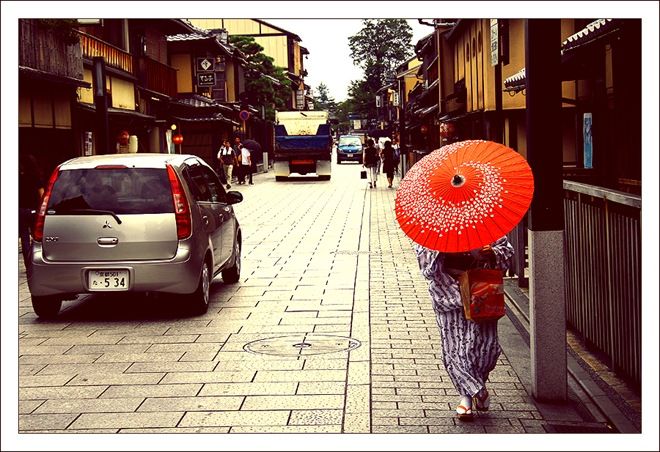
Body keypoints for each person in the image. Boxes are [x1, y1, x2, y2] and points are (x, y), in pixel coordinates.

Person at [414, 236, 514, 421]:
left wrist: (491, 253)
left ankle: (477, 386)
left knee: (488, 348)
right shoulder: (435, 228)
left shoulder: (483, 222)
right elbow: (426, 267)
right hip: (447, 292)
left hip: (481, 290)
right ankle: (468, 396)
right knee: (455, 348)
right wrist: (440, 250)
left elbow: (507, 253)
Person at [19, 154, 44, 273]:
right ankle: (36, 262)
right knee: (37, 237)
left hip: (21, 210)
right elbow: (41, 194)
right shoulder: (36, 177)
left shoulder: (19, 177)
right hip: (34, 210)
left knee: (24, 238)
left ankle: (27, 264)